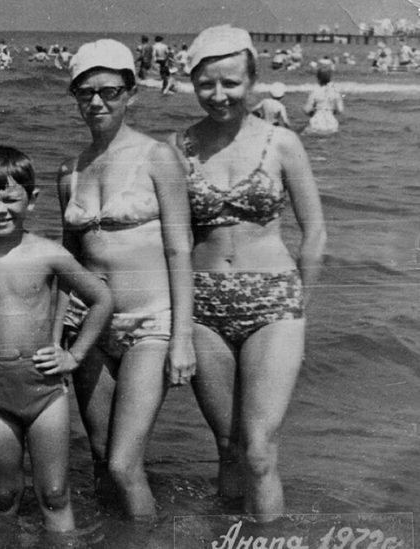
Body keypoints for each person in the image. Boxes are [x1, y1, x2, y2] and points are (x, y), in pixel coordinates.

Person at [172, 25, 326, 520]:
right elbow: (169, 241)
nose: (219, 95)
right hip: (203, 307)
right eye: (206, 84)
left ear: (252, 81)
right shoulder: (177, 148)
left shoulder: (283, 144)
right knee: (227, 447)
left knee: (258, 451)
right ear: (192, 84)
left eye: (231, 83)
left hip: (274, 304)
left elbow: (315, 231)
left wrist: (301, 306)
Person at [0, 146, 113, 532]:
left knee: (54, 494)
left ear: (32, 200)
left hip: (46, 394)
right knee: (4, 495)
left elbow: (101, 299)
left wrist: (75, 355)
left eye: (10, 199)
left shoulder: (50, 254)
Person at [57, 39, 195, 519]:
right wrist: (55, 337)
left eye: (110, 91)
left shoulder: (158, 158)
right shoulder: (70, 171)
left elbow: (180, 249)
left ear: (131, 94)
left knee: (122, 464)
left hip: (149, 326)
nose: (97, 102)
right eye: (86, 92)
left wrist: (183, 338)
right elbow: (68, 261)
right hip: (89, 328)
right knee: (99, 458)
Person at [302, 65, 343, 136]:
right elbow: (340, 110)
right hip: (331, 122)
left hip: (317, 121)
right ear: (330, 77)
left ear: (318, 78)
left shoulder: (315, 92)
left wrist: (312, 113)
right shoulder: (336, 92)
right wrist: (331, 111)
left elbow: (306, 110)